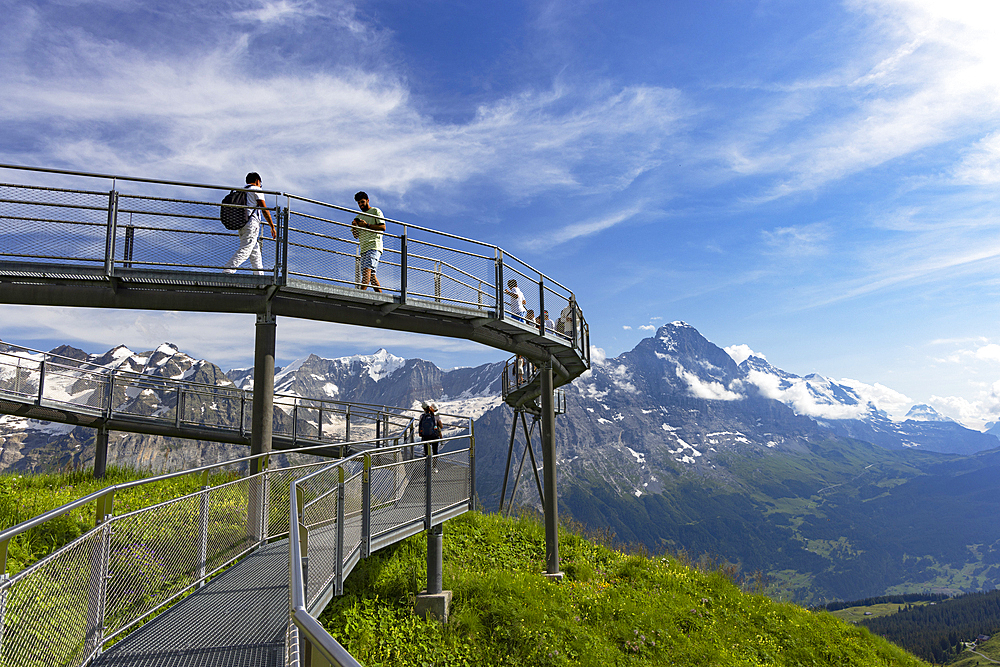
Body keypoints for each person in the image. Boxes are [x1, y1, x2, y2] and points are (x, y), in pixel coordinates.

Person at [225, 172, 276, 275]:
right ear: (257, 181)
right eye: (260, 184)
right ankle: (228, 270)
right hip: (251, 224)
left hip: (241, 223)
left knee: (254, 250)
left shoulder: (241, 190)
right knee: (246, 249)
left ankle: (259, 276)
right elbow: (264, 209)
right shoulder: (256, 189)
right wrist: (272, 226)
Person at [352, 191, 385, 293]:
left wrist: (367, 225)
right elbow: (356, 236)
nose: (361, 205)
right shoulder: (358, 217)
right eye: (359, 203)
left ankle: (359, 296)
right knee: (371, 276)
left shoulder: (375, 211)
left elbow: (383, 227)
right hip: (364, 248)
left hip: (374, 246)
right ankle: (382, 297)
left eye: (362, 202)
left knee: (366, 273)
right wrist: (354, 227)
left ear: (367, 200)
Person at [418, 401, 444, 472]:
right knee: (435, 452)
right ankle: (434, 467)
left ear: (423, 408)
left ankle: (427, 468)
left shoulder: (422, 416)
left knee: (426, 453)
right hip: (434, 436)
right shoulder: (436, 416)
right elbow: (441, 426)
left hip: (425, 437)